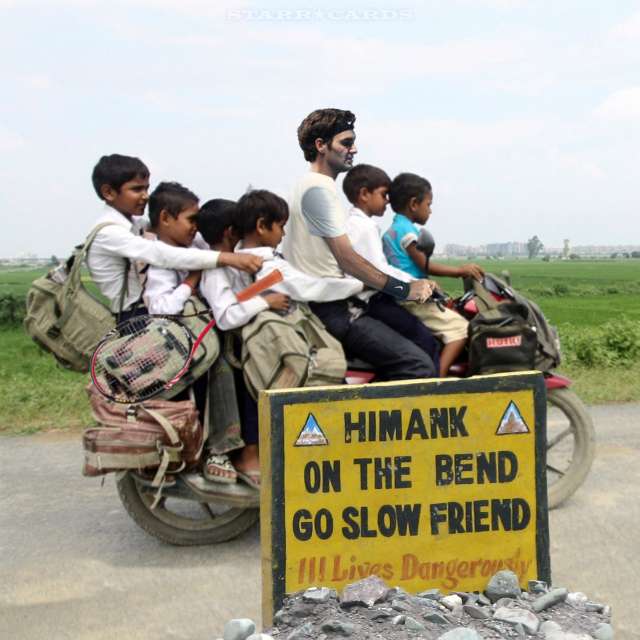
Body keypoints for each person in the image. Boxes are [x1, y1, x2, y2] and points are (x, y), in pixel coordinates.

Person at [281, 109, 437, 380]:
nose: (353, 149)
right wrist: (405, 289)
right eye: (346, 142)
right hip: (333, 309)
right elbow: (347, 259)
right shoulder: (320, 189)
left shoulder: (303, 185)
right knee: (419, 365)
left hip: (321, 301)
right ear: (321, 145)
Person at [86, 154, 262, 320]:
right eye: (136, 189)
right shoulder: (109, 233)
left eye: (146, 188)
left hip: (145, 310)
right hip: (134, 316)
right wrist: (226, 258)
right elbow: (161, 254)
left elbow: (168, 233)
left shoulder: (135, 224)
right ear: (108, 192)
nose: (145, 196)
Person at [196, 197, 290, 490]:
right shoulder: (216, 269)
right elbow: (226, 316)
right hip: (230, 346)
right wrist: (266, 301)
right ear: (229, 232)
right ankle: (246, 453)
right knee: (254, 381)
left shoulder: (235, 264)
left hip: (244, 338)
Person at [342, 164, 441, 373]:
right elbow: (379, 271)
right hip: (370, 301)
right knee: (427, 342)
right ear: (364, 194)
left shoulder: (353, 224)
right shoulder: (364, 227)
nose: (388, 200)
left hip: (366, 300)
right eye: (383, 194)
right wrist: (415, 285)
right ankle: (436, 392)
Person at [382, 172, 484, 375]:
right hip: (414, 299)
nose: (430, 210)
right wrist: (460, 271)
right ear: (414, 204)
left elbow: (410, 268)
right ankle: (438, 380)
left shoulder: (392, 230)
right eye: (428, 204)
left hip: (403, 296)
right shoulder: (407, 231)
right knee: (461, 330)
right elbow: (424, 265)